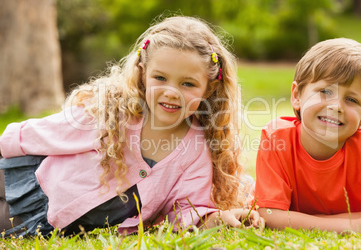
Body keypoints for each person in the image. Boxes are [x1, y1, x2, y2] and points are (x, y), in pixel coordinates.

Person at [0, 15, 260, 237]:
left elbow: (187, 213)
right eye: (160, 78)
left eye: (187, 84)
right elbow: (43, 134)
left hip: (41, 224)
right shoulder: (114, 113)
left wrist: (218, 220)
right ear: (143, 73)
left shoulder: (196, 151)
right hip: (27, 181)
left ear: (209, 87)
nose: (171, 92)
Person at [254, 38, 361, 233]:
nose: (336, 106)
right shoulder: (276, 139)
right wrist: (354, 224)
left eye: (351, 99)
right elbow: (269, 214)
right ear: (297, 96)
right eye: (325, 91)